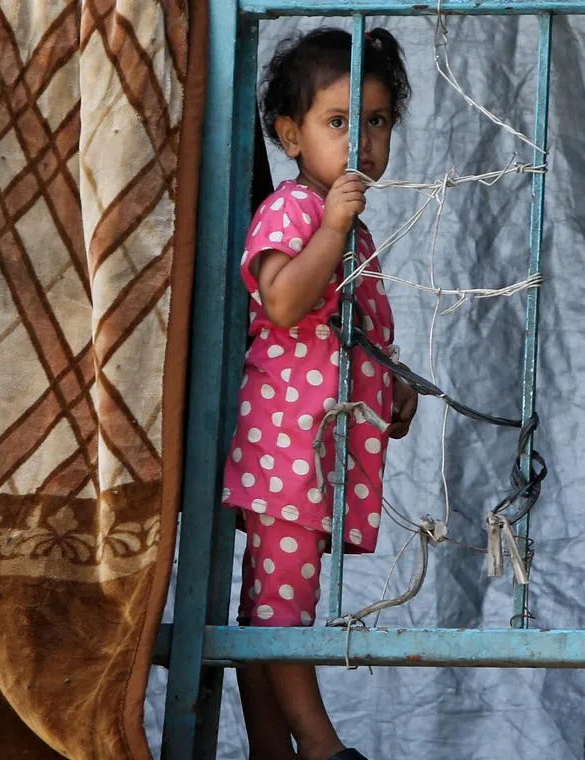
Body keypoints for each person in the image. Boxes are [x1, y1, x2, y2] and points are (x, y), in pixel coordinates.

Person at [220, 27, 419, 760]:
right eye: (338, 122)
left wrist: (393, 385)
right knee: (280, 607)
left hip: (317, 446)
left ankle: (275, 751)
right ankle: (325, 749)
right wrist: (331, 226)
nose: (361, 141)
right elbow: (280, 303)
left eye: (376, 121)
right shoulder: (295, 212)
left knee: (268, 608)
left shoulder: (348, 229)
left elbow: (354, 329)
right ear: (290, 134)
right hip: (287, 447)